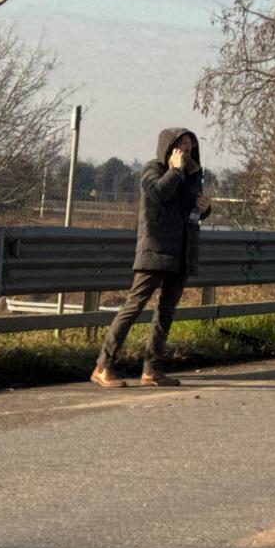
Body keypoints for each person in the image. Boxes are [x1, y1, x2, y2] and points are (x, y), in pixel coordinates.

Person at [90, 127, 210, 388]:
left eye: (190, 148)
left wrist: (205, 208)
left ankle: (152, 369)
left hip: (181, 252)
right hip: (155, 250)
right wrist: (175, 171)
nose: (186, 153)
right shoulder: (152, 170)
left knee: (166, 312)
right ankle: (103, 365)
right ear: (168, 149)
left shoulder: (191, 176)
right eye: (181, 148)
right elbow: (157, 195)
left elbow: (188, 212)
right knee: (134, 307)